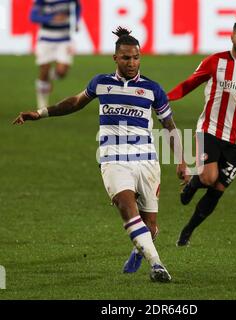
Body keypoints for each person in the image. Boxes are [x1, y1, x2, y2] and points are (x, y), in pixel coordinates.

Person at [14, 27, 187, 282]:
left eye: (136, 57)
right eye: (126, 58)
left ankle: (139, 249)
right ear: (115, 58)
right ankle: (157, 264)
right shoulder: (101, 83)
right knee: (126, 206)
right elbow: (73, 102)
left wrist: (183, 160)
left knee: (150, 227)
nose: (132, 63)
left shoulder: (153, 89)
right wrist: (40, 113)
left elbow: (169, 127)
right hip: (113, 159)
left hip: (147, 160)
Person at [167, 19, 236, 246]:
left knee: (218, 189)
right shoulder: (214, 62)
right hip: (210, 129)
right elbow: (189, 84)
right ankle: (194, 182)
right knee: (208, 177)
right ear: (232, 37)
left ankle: (188, 231)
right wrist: (165, 98)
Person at [30, 0, 81, 110]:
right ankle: (42, 104)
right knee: (44, 70)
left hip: (64, 38)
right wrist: (50, 18)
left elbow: (77, 6)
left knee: (62, 72)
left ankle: (48, 80)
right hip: (45, 39)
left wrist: (76, 21)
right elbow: (33, 16)